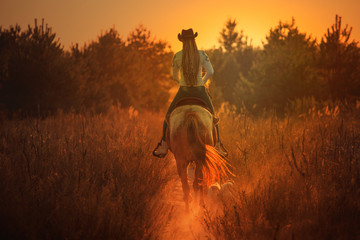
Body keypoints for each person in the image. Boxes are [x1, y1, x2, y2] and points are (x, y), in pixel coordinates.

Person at [153, 28, 228, 158]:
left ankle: (164, 145)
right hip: (200, 90)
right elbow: (211, 72)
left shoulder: (177, 56)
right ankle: (218, 146)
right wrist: (202, 82)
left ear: (182, 41)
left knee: (167, 117)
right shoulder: (202, 54)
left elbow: (174, 76)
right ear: (194, 40)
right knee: (214, 118)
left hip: (183, 91)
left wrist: (181, 82)